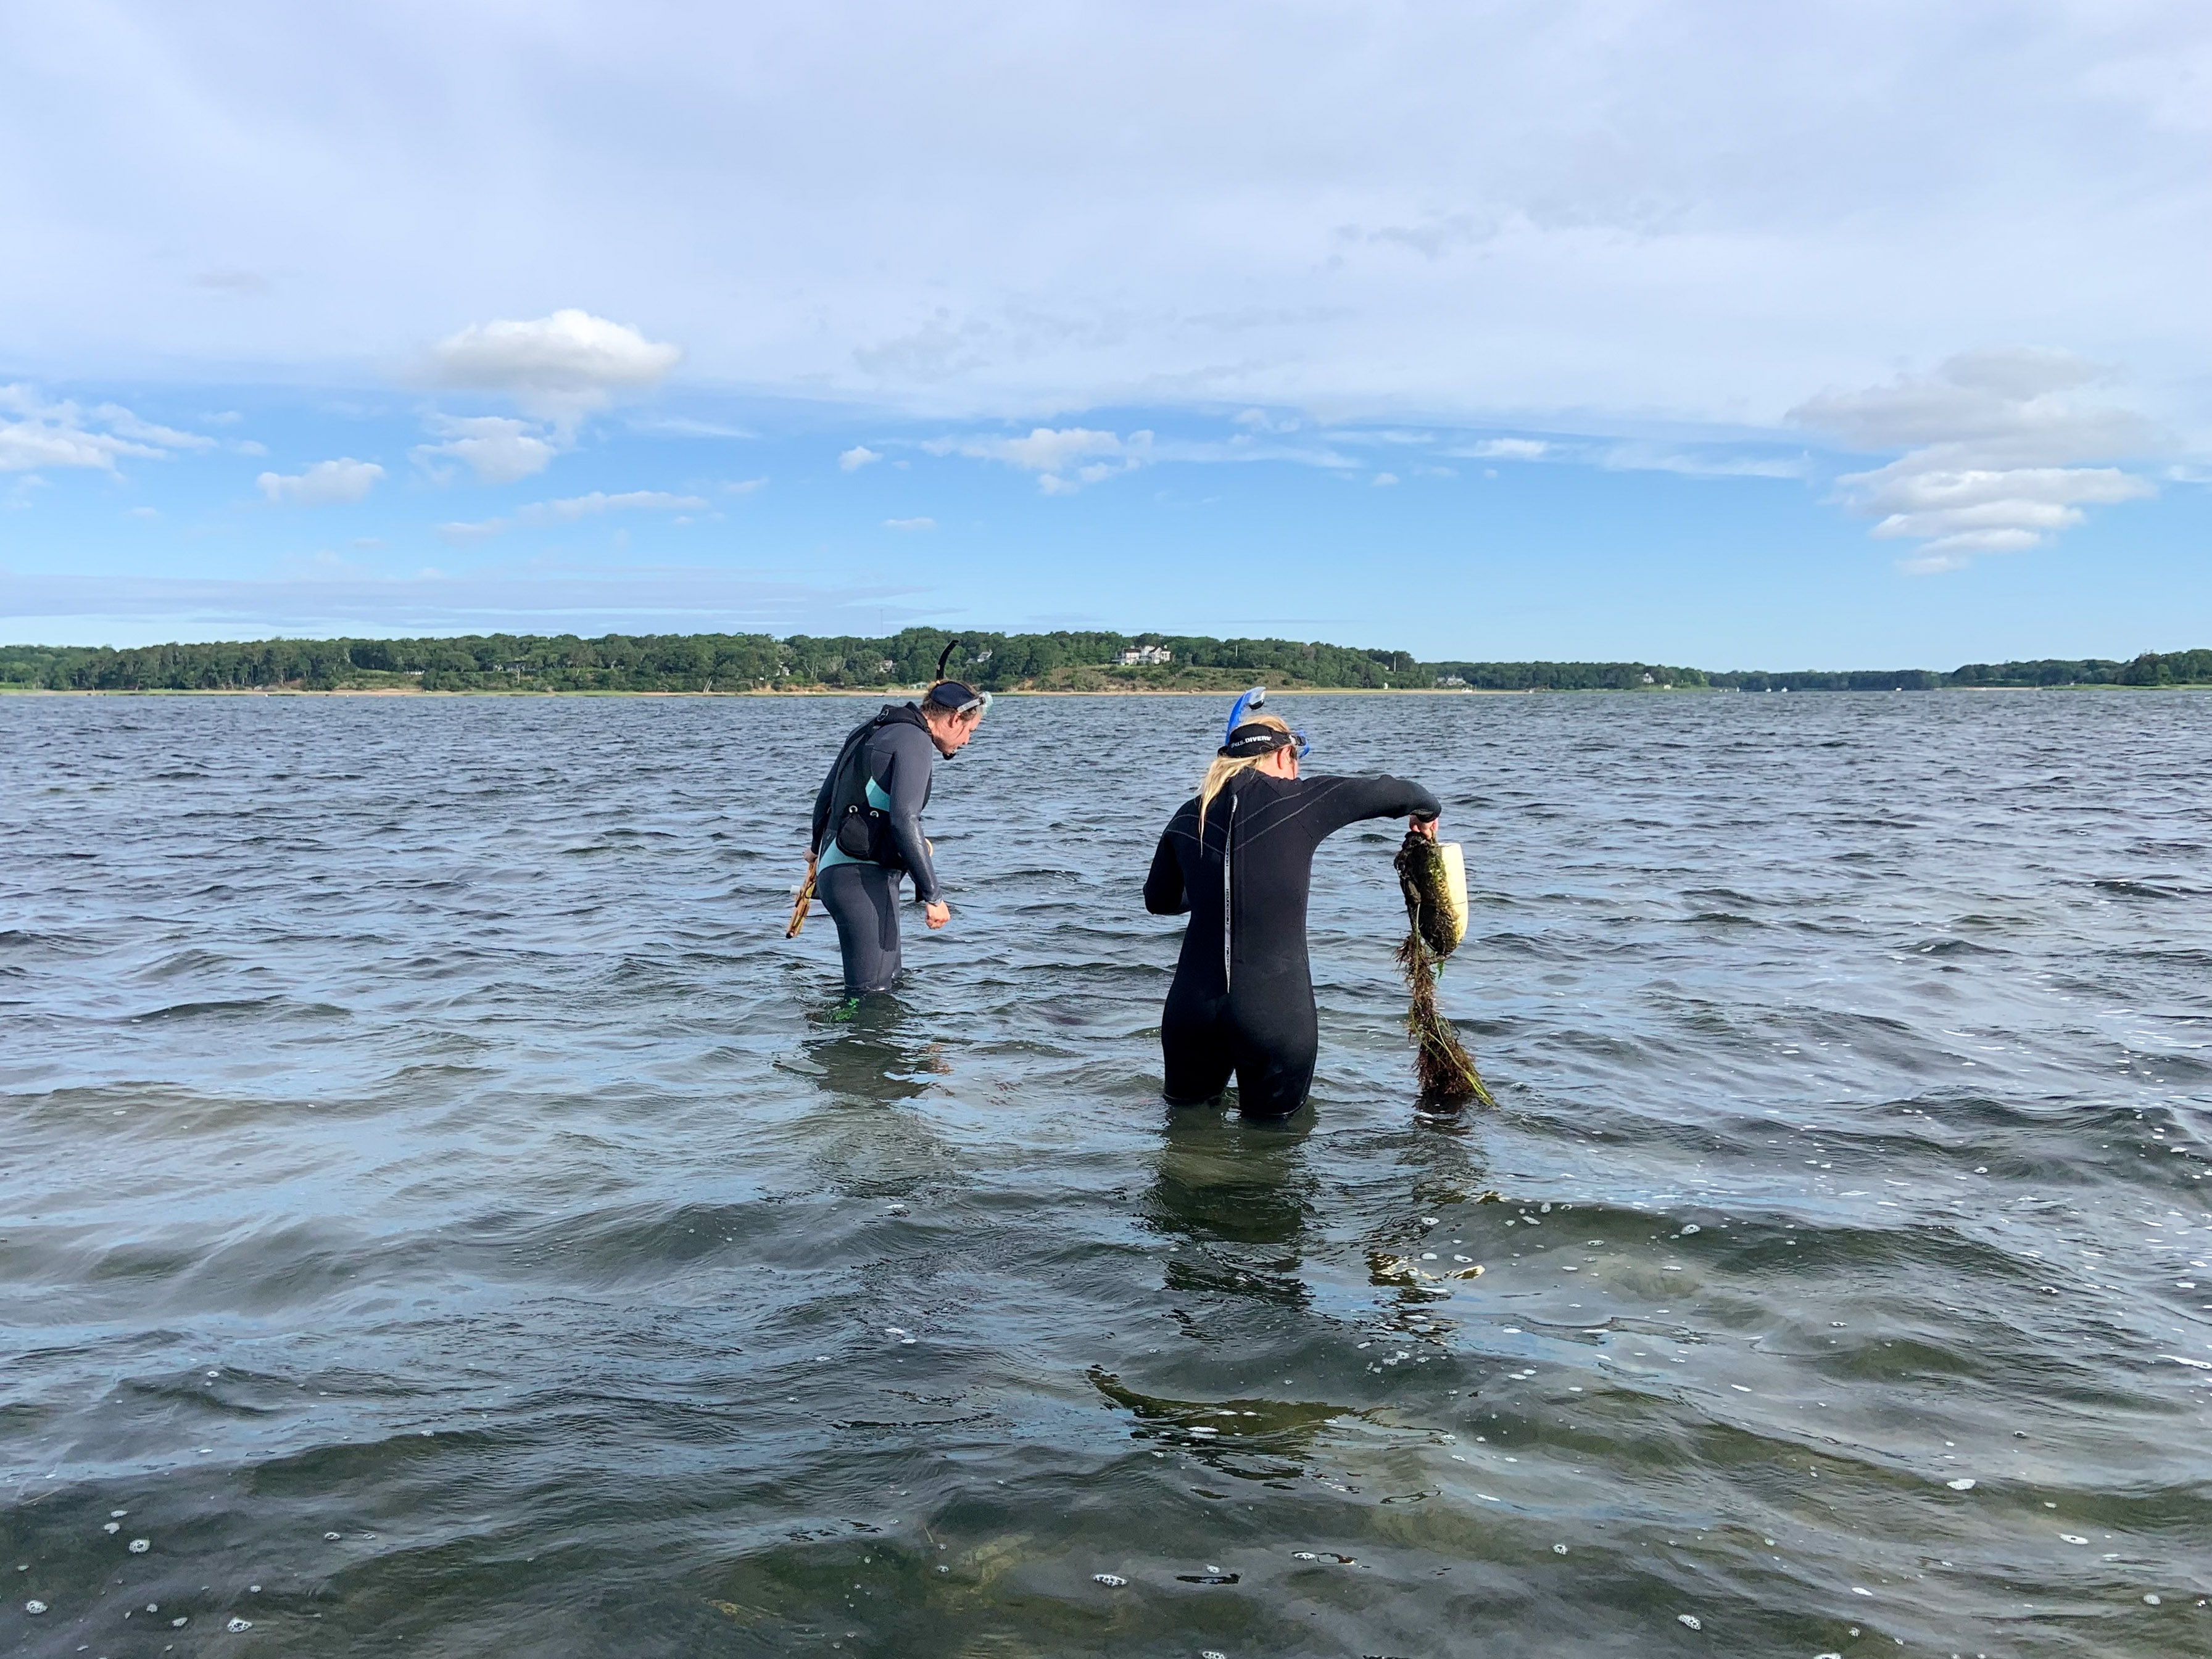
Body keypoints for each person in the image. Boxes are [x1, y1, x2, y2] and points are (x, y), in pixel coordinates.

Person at [1143, 689, 1441, 1119]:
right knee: (1273, 1152)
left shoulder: (1189, 814)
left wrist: (1215, 889)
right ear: (1285, 756)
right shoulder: (1301, 798)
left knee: (1184, 1133)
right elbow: (1399, 791)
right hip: (1274, 1014)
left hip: (1191, 1013)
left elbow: (1160, 900)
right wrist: (1427, 813)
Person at [806, 668, 989, 999]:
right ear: (954, 719)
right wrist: (933, 896)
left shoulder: (870, 729)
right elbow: (905, 820)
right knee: (871, 994)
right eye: (970, 731)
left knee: (886, 982)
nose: (967, 740)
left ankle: (836, 1036)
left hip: (838, 874)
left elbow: (826, 798)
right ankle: (837, 1044)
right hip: (862, 881)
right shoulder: (915, 742)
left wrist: (817, 849)